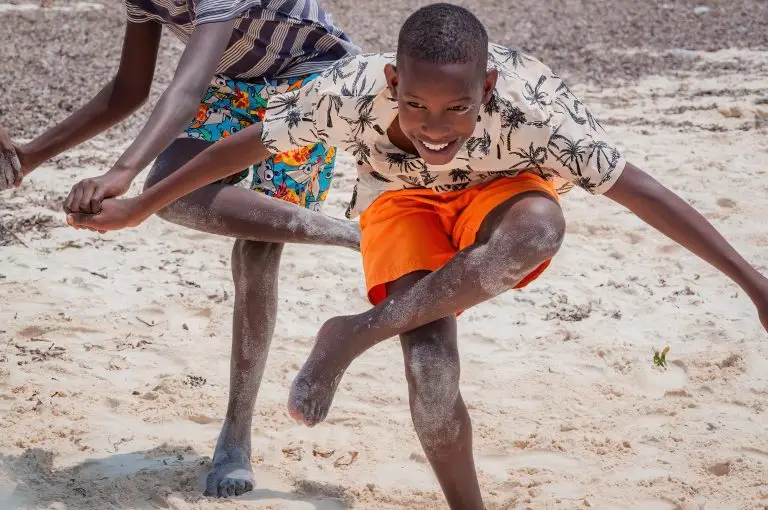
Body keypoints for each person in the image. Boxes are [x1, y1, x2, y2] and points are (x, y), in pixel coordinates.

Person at [58, 3, 768, 508]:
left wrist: (754, 285)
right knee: (431, 376)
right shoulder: (352, 89)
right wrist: (143, 203)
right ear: (394, 84)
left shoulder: (535, 111)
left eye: (458, 109)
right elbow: (246, 145)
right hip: (401, 203)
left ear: (485, 90)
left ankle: (351, 333)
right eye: (418, 107)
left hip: (501, 191)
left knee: (540, 227)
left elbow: (646, 193)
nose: (436, 128)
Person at [0, 0, 361, 499]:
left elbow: (187, 88)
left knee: (256, 251)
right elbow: (131, 89)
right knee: (170, 194)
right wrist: (30, 156)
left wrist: (121, 173)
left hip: (309, 82)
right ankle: (344, 233)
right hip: (233, 84)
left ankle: (236, 436)